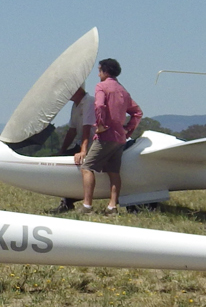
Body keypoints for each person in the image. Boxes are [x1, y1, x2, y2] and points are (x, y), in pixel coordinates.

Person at [78, 58, 142, 213]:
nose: (98, 73)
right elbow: (137, 112)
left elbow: (99, 105)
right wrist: (128, 129)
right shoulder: (123, 91)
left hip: (105, 136)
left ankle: (87, 205)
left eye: (99, 70)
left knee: (87, 167)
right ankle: (112, 206)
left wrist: (100, 124)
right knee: (113, 172)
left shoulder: (101, 86)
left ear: (105, 72)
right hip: (120, 137)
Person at [53, 85, 95, 213]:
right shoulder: (75, 105)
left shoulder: (89, 102)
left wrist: (83, 151)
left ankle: (69, 200)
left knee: (80, 166)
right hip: (82, 142)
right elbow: (72, 130)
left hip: (94, 143)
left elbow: (87, 128)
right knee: (61, 161)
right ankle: (67, 200)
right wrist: (62, 150)